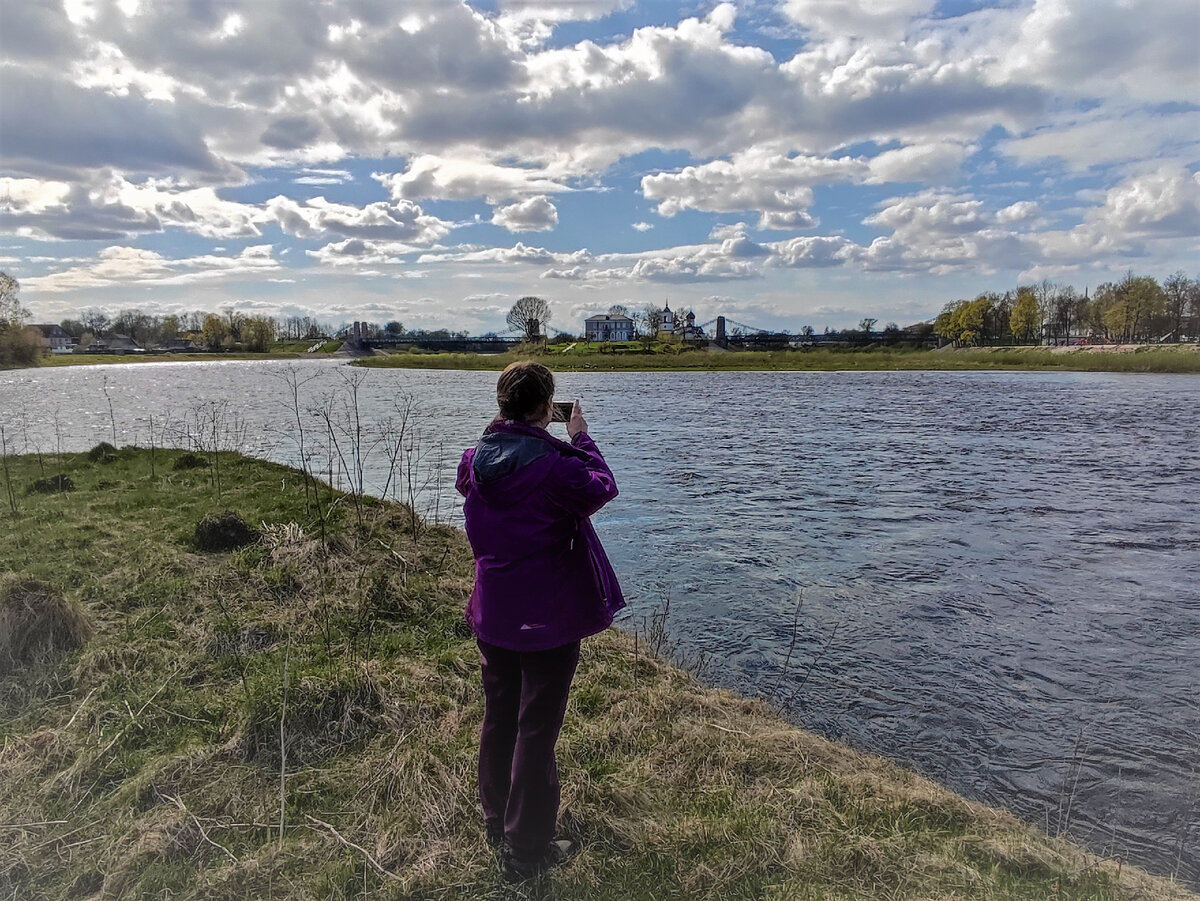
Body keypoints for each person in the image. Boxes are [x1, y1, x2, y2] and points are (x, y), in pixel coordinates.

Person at [456, 360, 624, 881]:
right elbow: (601, 487)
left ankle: (496, 818)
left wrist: (533, 430)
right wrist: (579, 437)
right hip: (547, 618)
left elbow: (498, 470)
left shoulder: (472, 462)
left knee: (500, 714)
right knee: (536, 728)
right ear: (544, 407)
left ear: (500, 402)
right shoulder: (558, 468)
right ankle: (526, 848)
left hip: (495, 611)